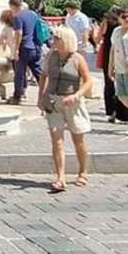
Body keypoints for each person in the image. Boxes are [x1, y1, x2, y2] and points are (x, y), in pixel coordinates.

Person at [38, 26, 93, 192]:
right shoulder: (50, 56)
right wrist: (41, 96)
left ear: (66, 40)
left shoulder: (77, 58)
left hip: (72, 102)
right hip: (53, 101)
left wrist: (77, 95)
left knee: (78, 139)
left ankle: (83, 171)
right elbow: (43, 76)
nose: (53, 41)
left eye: (56, 38)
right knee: (57, 139)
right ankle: (60, 177)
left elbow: (88, 80)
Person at [6, 0, 41, 105]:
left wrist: (16, 49)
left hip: (24, 48)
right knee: (38, 72)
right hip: (34, 47)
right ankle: (48, 92)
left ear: (13, 6)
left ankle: (17, 96)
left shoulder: (17, 17)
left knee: (19, 73)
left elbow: (19, 33)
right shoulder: (33, 14)